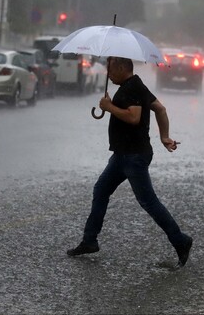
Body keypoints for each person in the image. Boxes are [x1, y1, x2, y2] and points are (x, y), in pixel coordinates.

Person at [67, 57, 193, 267]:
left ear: (121, 67)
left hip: (133, 156)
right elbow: (160, 109)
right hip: (122, 155)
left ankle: (180, 240)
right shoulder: (135, 85)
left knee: (148, 202)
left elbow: (134, 118)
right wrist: (164, 137)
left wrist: (109, 107)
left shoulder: (132, 87)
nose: (108, 74)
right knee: (101, 190)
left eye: (110, 69)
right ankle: (89, 241)